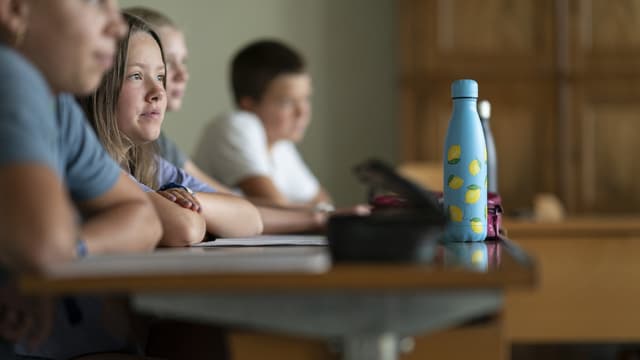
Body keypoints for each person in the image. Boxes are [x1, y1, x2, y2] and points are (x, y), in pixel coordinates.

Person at [0, 0, 163, 358]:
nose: (116, 26)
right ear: (13, 10)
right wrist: (43, 260)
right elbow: (41, 244)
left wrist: (69, 252)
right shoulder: (10, 72)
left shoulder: (58, 107)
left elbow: (144, 218)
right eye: (94, 3)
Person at [125, 8, 369, 234]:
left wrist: (325, 215)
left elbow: (241, 208)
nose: (181, 74)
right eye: (137, 74)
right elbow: (189, 223)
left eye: (161, 73)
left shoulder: (150, 153)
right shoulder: (238, 125)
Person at [80, 13, 263, 246]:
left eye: (160, 76)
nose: (158, 91)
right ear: (98, 87)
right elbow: (186, 229)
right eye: (136, 76)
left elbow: (251, 218)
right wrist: (196, 215)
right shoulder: (93, 160)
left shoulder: (145, 162)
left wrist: (186, 198)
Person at [193, 39, 332, 208]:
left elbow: (323, 201)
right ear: (248, 105)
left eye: (305, 99)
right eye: (287, 102)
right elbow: (277, 207)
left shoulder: (281, 147)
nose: (302, 112)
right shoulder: (237, 125)